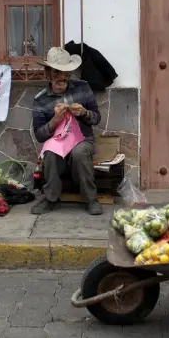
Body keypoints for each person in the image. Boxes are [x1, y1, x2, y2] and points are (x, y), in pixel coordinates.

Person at [31, 47, 103, 216]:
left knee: (79, 153)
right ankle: (51, 199)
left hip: (83, 139)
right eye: (56, 72)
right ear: (48, 72)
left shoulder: (83, 88)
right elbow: (40, 135)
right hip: (58, 142)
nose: (62, 76)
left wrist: (84, 112)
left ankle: (91, 199)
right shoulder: (40, 99)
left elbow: (97, 118)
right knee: (50, 153)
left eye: (65, 72)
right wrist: (55, 120)